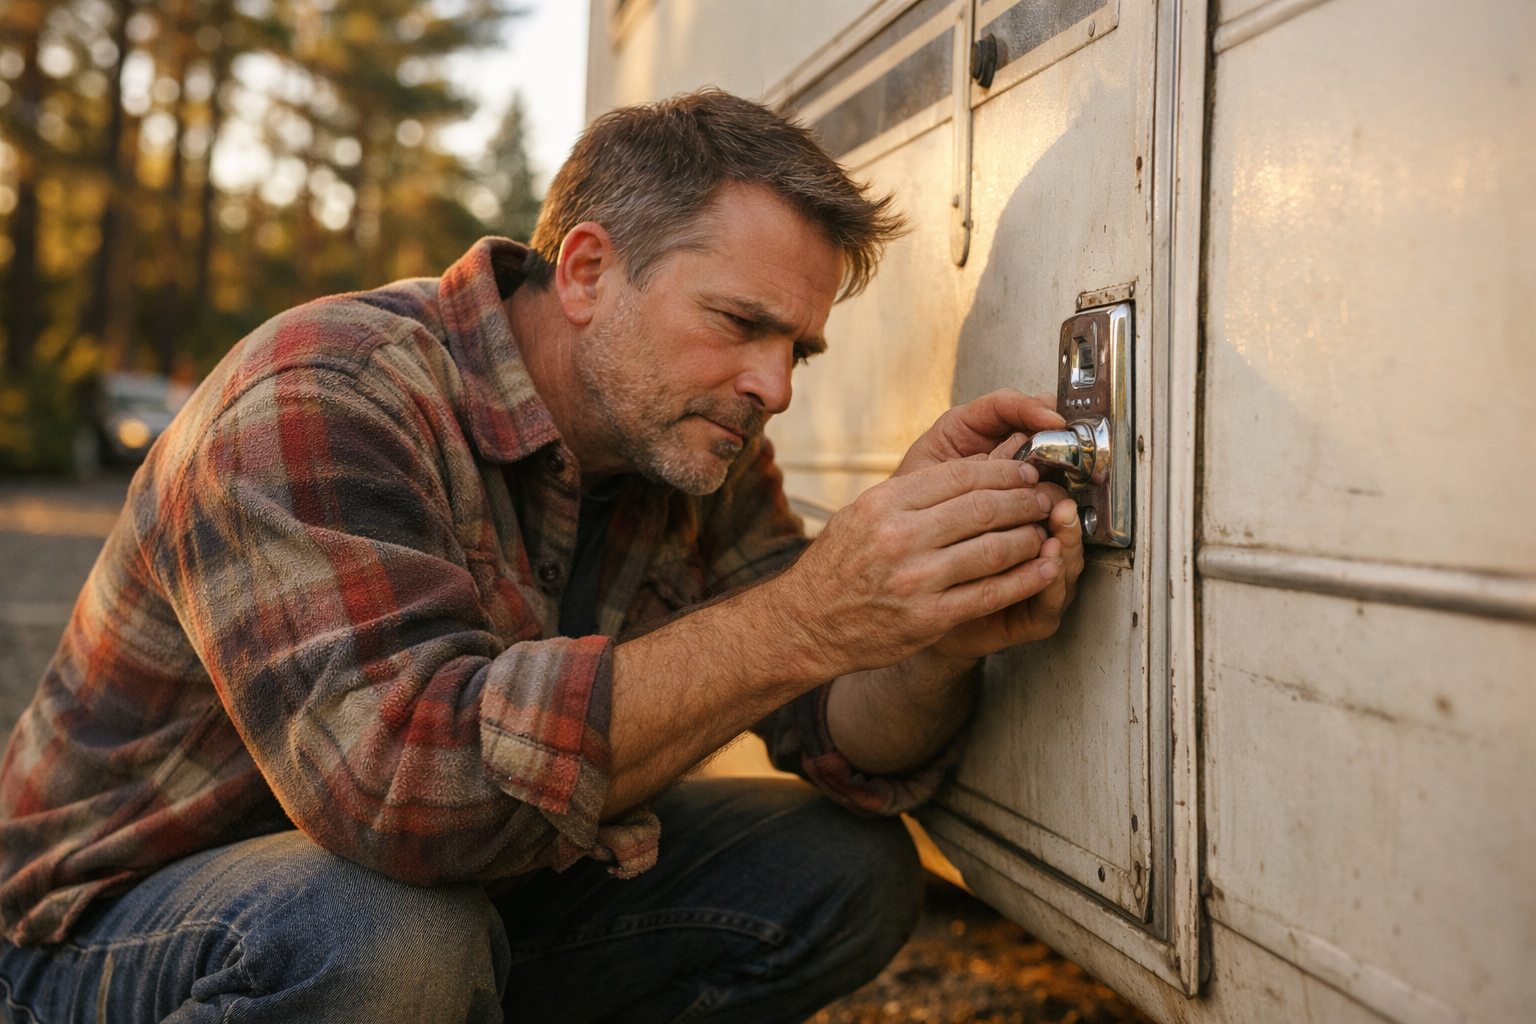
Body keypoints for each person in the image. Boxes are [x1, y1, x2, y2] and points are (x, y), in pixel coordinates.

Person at [0, 90, 1083, 1022]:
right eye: (740, 322)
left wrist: (926, 624)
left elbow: (838, 734)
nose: (775, 387)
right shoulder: (321, 393)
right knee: (384, 936)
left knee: (837, 867)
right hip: (106, 927)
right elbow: (402, 791)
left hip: (449, 895)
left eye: (794, 347)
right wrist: (809, 613)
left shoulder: (688, 443)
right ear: (586, 271)